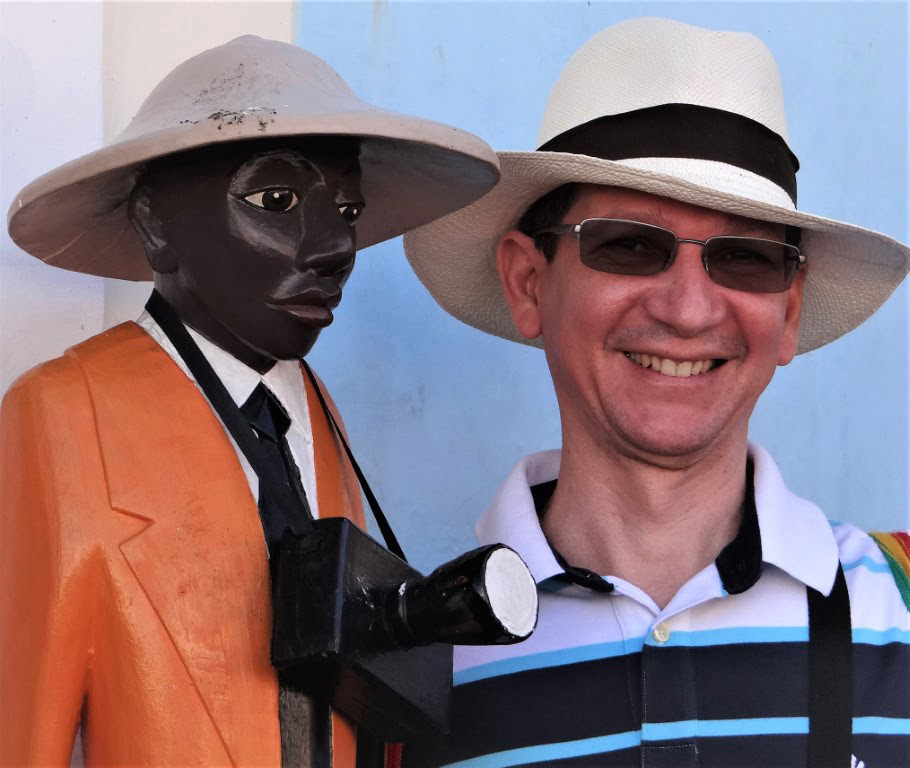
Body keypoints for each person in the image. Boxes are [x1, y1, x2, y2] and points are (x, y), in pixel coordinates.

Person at [402, 17, 910, 768]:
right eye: (630, 244)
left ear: (790, 312)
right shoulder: (413, 665)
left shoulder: (899, 608)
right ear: (528, 282)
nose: (688, 308)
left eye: (743, 257)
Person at [0, 36, 499, 767]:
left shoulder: (312, 413)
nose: (335, 246)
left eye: (348, 209)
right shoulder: (62, 417)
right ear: (156, 223)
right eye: (277, 201)